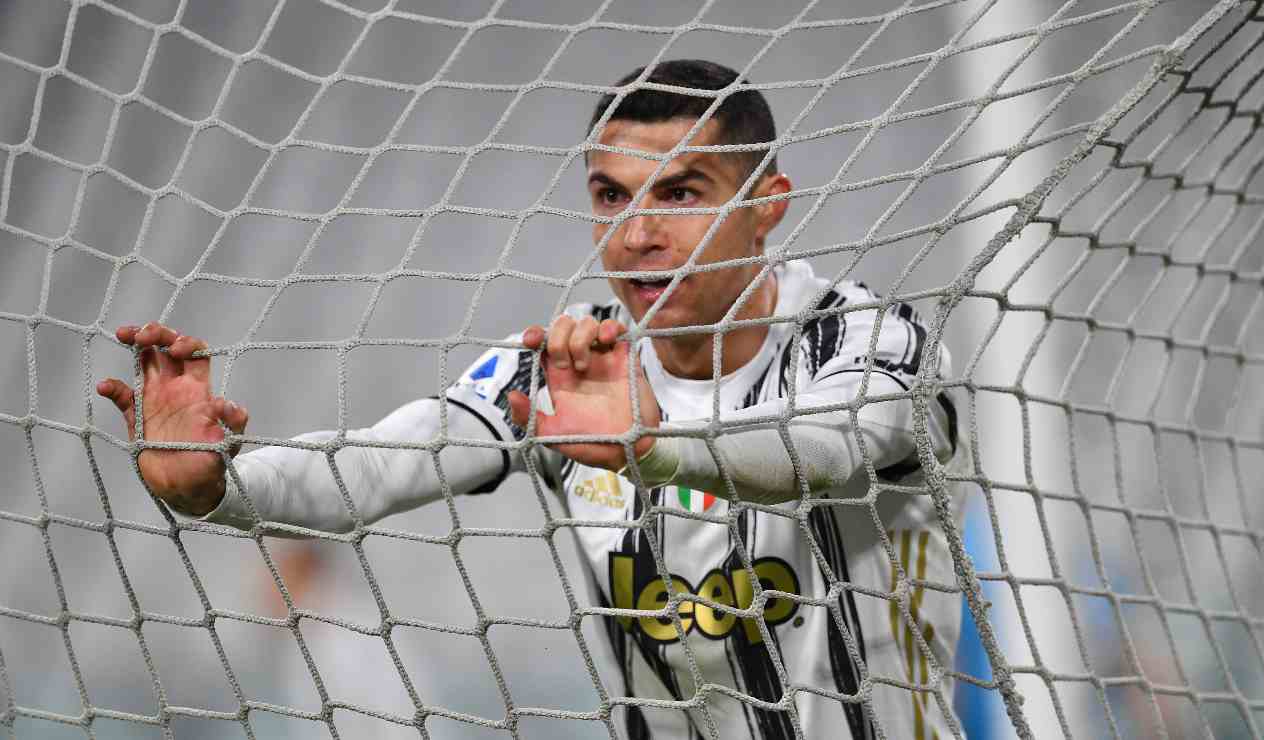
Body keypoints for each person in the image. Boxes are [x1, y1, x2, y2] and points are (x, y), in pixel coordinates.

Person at [97, 59, 966, 739]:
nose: (637, 234)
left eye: (680, 193)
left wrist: (653, 450)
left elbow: (824, 450)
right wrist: (221, 488)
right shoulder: (571, 368)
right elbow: (381, 462)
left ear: (766, 205)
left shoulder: (869, 342)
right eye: (611, 196)